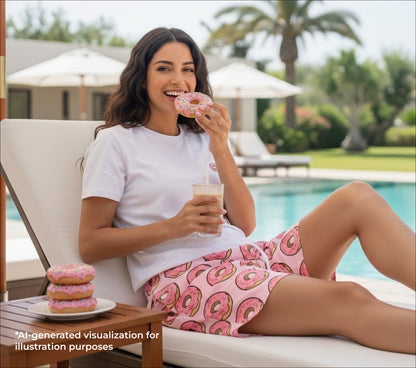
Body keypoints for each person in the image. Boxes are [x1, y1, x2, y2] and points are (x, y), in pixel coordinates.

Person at [79, 27, 415, 354]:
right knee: (349, 297)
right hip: (188, 282)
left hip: (248, 260)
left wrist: (221, 148)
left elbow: (244, 224)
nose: (178, 80)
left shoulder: (203, 139)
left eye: (187, 70)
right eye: (164, 68)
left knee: (356, 197)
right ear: (141, 76)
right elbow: (90, 243)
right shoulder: (117, 142)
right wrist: (172, 227)